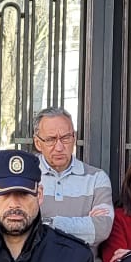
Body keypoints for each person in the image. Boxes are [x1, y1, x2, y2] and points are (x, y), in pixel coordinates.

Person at [30, 107, 115, 253]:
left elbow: (101, 228)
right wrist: (83, 225)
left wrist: (46, 223)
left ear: (74, 138)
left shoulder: (96, 178)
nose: (59, 147)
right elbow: (14, 228)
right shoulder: (26, 177)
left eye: (65, 138)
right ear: (38, 143)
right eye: (51, 140)